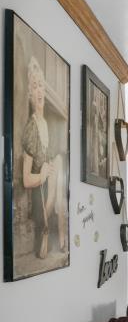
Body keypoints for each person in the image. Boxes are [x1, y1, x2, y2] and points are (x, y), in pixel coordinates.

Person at [21, 57, 66, 259]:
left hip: (51, 190)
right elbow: (26, 180)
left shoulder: (46, 124)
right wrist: (43, 174)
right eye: (35, 87)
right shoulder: (31, 130)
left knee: (59, 162)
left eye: (41, 86)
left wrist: (52, 168)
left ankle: (61, 232)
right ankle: (48, 229)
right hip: (39, 195)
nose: (39, 91)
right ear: (30, 94)